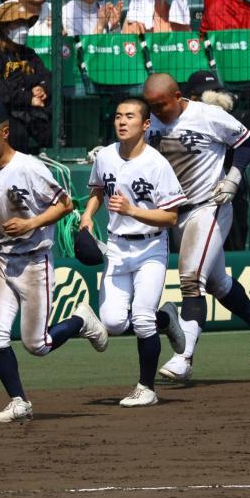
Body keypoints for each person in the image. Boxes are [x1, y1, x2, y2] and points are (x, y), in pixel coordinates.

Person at [0, 98, 108, 422]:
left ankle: (81, 321)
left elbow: (65, 205)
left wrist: (30, 223)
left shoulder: (29, 167)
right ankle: (18, 401)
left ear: (5, 131)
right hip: (2, 261)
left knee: (36, 345)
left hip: (35, 262)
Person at [142, 73, 250, 382]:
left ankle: (184, 357)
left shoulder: (207, 115)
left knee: (191, 278)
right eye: (151, 105)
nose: (157, 111)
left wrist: (233, 177)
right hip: (174, 212)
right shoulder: (149, 120)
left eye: (162, 104)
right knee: (217, 283)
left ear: (178, 96)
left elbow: (245, 142)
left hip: (209, 206)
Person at [80, 97, 187, 406]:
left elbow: (170, 217)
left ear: (146, 124)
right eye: (117, 116)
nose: (122, 121)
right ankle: (165, 320)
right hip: (116, 246)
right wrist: (88, 215)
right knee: (112, 322)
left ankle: (146, 388)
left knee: (141, 319)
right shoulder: (105, 156)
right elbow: (98, 190)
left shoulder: (157, 164)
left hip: (151, 246)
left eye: (129, 116)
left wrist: (131, 210)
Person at [0, 2, 51, 154]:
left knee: (51, 128)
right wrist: (28, 98)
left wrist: (42, 88)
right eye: (17, 24)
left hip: (27, 110)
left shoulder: (28, 53)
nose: (24, 29)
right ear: (4, 28)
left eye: (25, 24)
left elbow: (46, 76)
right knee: (17, 132)